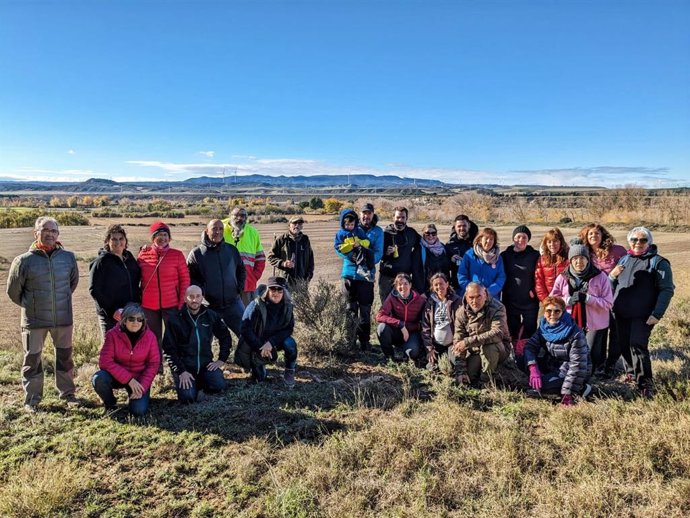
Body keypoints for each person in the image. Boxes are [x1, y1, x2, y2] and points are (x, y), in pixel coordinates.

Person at [7, 216, 80, 412]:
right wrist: (32, 306)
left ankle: (68, 393)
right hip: (34, 321)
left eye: (54, 231)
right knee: (32, 359)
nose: (50, 234)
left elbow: (71, 285)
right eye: (45, 230)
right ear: (36, 233)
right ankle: (32, 399)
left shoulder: (68, 258)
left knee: (65, 357)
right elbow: (13, 292)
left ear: (58, 234)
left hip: (63, 319)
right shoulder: (23, 261)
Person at [610, 227, 674, 398]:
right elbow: (612, 285)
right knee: (624, 345)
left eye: (643, 240)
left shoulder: (658, 262)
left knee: (637, 345)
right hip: (621, 313)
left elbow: (667, 290)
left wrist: (657, 313)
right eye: (634, 240)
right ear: (629, 241)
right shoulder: (624, 259)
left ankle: (645, 384)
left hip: (644, 315)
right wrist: (611, 277)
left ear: (649, 242)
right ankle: (631, 373)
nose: (638, 243)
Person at [551, 238, 613, 373]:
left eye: (582, 258)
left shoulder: (600, 277)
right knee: (571, 351)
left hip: (595, 323)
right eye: (575, 259)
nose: (579, 262)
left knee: (589, 353)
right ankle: (572, 374)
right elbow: (552, 300)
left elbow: (608, 303)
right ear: (570, 260)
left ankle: (589, 376)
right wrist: (567, 301)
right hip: (570, 322)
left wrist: (588, 298)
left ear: (588, 259)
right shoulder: (562, 277)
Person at [162, 285, 232, 403]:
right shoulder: (175, 319)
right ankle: (192, 386)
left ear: (202, 298)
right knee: (188, 398)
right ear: (185, 298)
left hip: (206, 366)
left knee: (219, 386)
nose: (194, 300)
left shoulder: (210, 315)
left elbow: (225, 336)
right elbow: (169, 350)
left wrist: (221, 359)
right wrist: (181, 371)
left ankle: (202, 384)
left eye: (198, 296)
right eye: (191, 296)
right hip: (185, 369)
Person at [92, 304, 159, 416]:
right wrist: (129, 379)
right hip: (117, 377)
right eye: (131, 319)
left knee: (138, 411)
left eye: (139, 319)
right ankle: (110, 404)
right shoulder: (112, 335)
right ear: (124, 320)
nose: (135, 322)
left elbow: (154, 364)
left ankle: (136, 397)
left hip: (139, 379)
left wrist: (142, 386)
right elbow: (105, 361)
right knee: (98, 378)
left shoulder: (150, 337)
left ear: (143, 321)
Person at [578, 223, 627, 377]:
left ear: (603, 235)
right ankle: (599, 364)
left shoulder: (617, 251)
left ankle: (611, 364)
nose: (594, 236)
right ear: (585, 236)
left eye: (597, 233)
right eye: (590, 234)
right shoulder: (585, 254)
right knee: (599, 333)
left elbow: (627, 266)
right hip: (596, 301)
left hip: (617, 297)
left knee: (616, 332)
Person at [524, 296, 592, 406]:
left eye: (557, 311)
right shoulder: (543, 327)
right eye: (548, 311)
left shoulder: (575, 332)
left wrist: (567, 393)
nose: (552, 315)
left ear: (563, 312)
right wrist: (533, 368)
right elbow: (530, 347)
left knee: (543, 386)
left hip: (573, 370)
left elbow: (577, 365)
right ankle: (548, 382)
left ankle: (582, 388)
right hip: (553, 365)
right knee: (521, 361)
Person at [336, 203, 384, 352]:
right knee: (350, 309)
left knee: (364, 310)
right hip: (349, 274)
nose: (366, 216)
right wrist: (352, 256)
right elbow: (339, 248)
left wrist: (366, 260)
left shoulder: (377, 232)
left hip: (366, 276)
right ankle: (350, 341)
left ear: (373, 214)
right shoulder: (349, 228)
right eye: (363, 213)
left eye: (369, 213)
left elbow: (378, 252)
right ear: (360, 214)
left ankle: (364, 342)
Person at [187, 219, 246, 338]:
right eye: (214, 229)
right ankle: (206, 358)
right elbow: (191, 278)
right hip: (209, 305)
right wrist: (203, 292)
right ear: (207, 231)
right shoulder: (196, 254)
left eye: (220, 229)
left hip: (233, 303)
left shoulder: (231, 250)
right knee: (203, 339)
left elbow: (241, 269)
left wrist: (239, 288)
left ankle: (247, 357)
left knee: (246, 335)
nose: (218, 232)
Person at [235, 277, 298, 387]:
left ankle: (289, 370)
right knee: (259, 379)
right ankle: (260, 366)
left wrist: (271, 343)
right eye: (273, 289)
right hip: (258, 343)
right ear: (268, 290)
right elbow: (245, 329)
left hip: (276, 341)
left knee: (290, 344)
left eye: (280, 290)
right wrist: (260, 347)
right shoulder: (256, 305)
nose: (276, 293)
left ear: (284, 292)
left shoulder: (287, 306)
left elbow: (289, 328)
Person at [137, 221, 190, 349]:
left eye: (166, 234)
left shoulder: (177, 255)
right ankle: (156, 368)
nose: (163, 238)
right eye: (159, 234)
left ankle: (176, 368)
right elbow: (136, 278)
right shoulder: (143, 254)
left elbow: (185, 279)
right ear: (153, 237)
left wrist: (181, 302)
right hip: (148, 306)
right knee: (153, 339)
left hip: (171, 305)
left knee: (173, 338)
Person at [450, 282, 510, 388]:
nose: (475, 301)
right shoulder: (461, 312)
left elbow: (497, 333)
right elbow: (458, 340)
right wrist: (461, 371)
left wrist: (468, 342)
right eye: (471, 297)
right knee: (469, 376)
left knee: (489, 347)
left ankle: (486, 382)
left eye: (478, 296)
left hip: (498, 348)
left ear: (485, 294)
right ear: (466, 297)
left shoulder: (498, 308)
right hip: (476, 350)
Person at [88, 224, 141, 337]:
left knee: (129, 347)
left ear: (126, 241)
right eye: (114, 239)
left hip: (130, 312)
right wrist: (112, 311)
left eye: (121, 238)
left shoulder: (129, 257)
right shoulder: (101, 262)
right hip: (111, 315)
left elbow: (138, 277)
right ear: (107, 241)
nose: (118, 242)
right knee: (110, 348)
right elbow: (94, 290)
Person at [500, 225, 540, 350]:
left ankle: (529, 353)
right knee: (512, 328)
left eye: (524, 237)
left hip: (529, 300)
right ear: (513, 238)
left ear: (528, 240)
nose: (521, 240)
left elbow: (539, 275)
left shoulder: (534, 255)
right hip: (510, 299)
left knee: (530, 328)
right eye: (518, 237)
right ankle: (514, 352)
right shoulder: (505, 255)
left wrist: (534, 290)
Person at [376, 273, 426, 364]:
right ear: (395, 286)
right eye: (399, 284)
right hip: (396, 331)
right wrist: (400, 324)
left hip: (411, 333)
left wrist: (412, 327)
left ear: (410, 285)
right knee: (381, 328)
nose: (402, 286)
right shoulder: (392, 297)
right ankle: (389, 357)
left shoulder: (420, 300)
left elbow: (424, 321)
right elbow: (379, 316)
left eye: (406, 284)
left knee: (412, 353)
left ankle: (404, 352)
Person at [222, 207, 266, 306]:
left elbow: (260, 258)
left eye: (242, 216)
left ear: (246, 218)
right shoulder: (221, 229)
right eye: (236, 215)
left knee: (248, 316)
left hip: (247, 285)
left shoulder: (253, 232)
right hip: (224, 286)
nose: (239, 218)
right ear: (230, 216)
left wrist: (254, 277)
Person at [379, 206, 424, 302]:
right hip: (387, 277)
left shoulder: (411, 233)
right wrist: (386, 253)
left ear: (406, 219)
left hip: (405, 277)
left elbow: (424, 244)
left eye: (403, 217)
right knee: (386, 305)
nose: (400, 220)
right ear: (393, 217)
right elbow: (377, 254)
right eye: (398, 217)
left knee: (403, 306)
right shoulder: (385, 233)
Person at [421, 273, 462, 372]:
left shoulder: (457, 301)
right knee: (432, 368)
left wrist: (457, 342)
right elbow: (425, 326)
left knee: (456, 364)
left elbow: (462, 324)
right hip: (436, 344)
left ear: (447, 284)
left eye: (441, 284)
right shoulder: (430, 303)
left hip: (452, 343)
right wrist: (429, 348)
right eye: (436, 285)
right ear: (432, 287)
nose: (439, 287)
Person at [457, 227, 506, 298]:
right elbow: (461, 275)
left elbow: (501, 277)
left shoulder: (498, 258)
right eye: (486, 238)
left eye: (491, 239)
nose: (488, 241)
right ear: (480, 239)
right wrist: (472, 290)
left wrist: (488, 292)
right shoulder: (469, 255)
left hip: (491, 297)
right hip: (472, 297)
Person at [268, 216, 315, 287]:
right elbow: (271, 257)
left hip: (302, 282)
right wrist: (283, 263)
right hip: (285, 282)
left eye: (300, 223)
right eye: (294, 223)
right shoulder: (281, 240)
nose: (297, 225)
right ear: (289, 225)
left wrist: (308, 276)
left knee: (302, 298)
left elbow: (310, 259)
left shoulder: (305, 240)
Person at [334, 209, 375, 281]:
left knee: (370, 252)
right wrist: (351, 246)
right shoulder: (340, 234)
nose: (349, 227)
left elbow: (367, 242)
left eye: (352, 224)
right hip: (350, 252)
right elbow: (338, 247)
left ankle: (369, 271)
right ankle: (361, 268)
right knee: (360, 250)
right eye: (347, 224)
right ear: (343, 223)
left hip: (360, 248)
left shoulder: (359, 231)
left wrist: (359, 243)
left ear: (355, 223)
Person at [535, 228, 569, 303]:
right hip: (548, 300)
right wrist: (545, 299)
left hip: (566, 300)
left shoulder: (568, 258)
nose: (552, 244)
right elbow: (539, 281)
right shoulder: (542, 259)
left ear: (561, 242)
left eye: (555, 241)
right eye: (549, 242)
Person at [445, 215, 478, 288]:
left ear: (469, 225)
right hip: (457, 286)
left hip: (475, 284)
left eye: (464, 225)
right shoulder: (450, 245)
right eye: (459, 226)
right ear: (455, 227)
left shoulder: (477, 243)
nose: (462, 228)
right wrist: (451, 260)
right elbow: (445, 267)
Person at [419, 223, 452, 291]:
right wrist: (421, 291)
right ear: (423, 234)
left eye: (433, 233)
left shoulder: (443, 248)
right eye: (427, 233)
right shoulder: (419, 249)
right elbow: (416, 272)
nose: (430, 236)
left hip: (443, 288)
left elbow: (447, 268)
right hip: (427, 290)